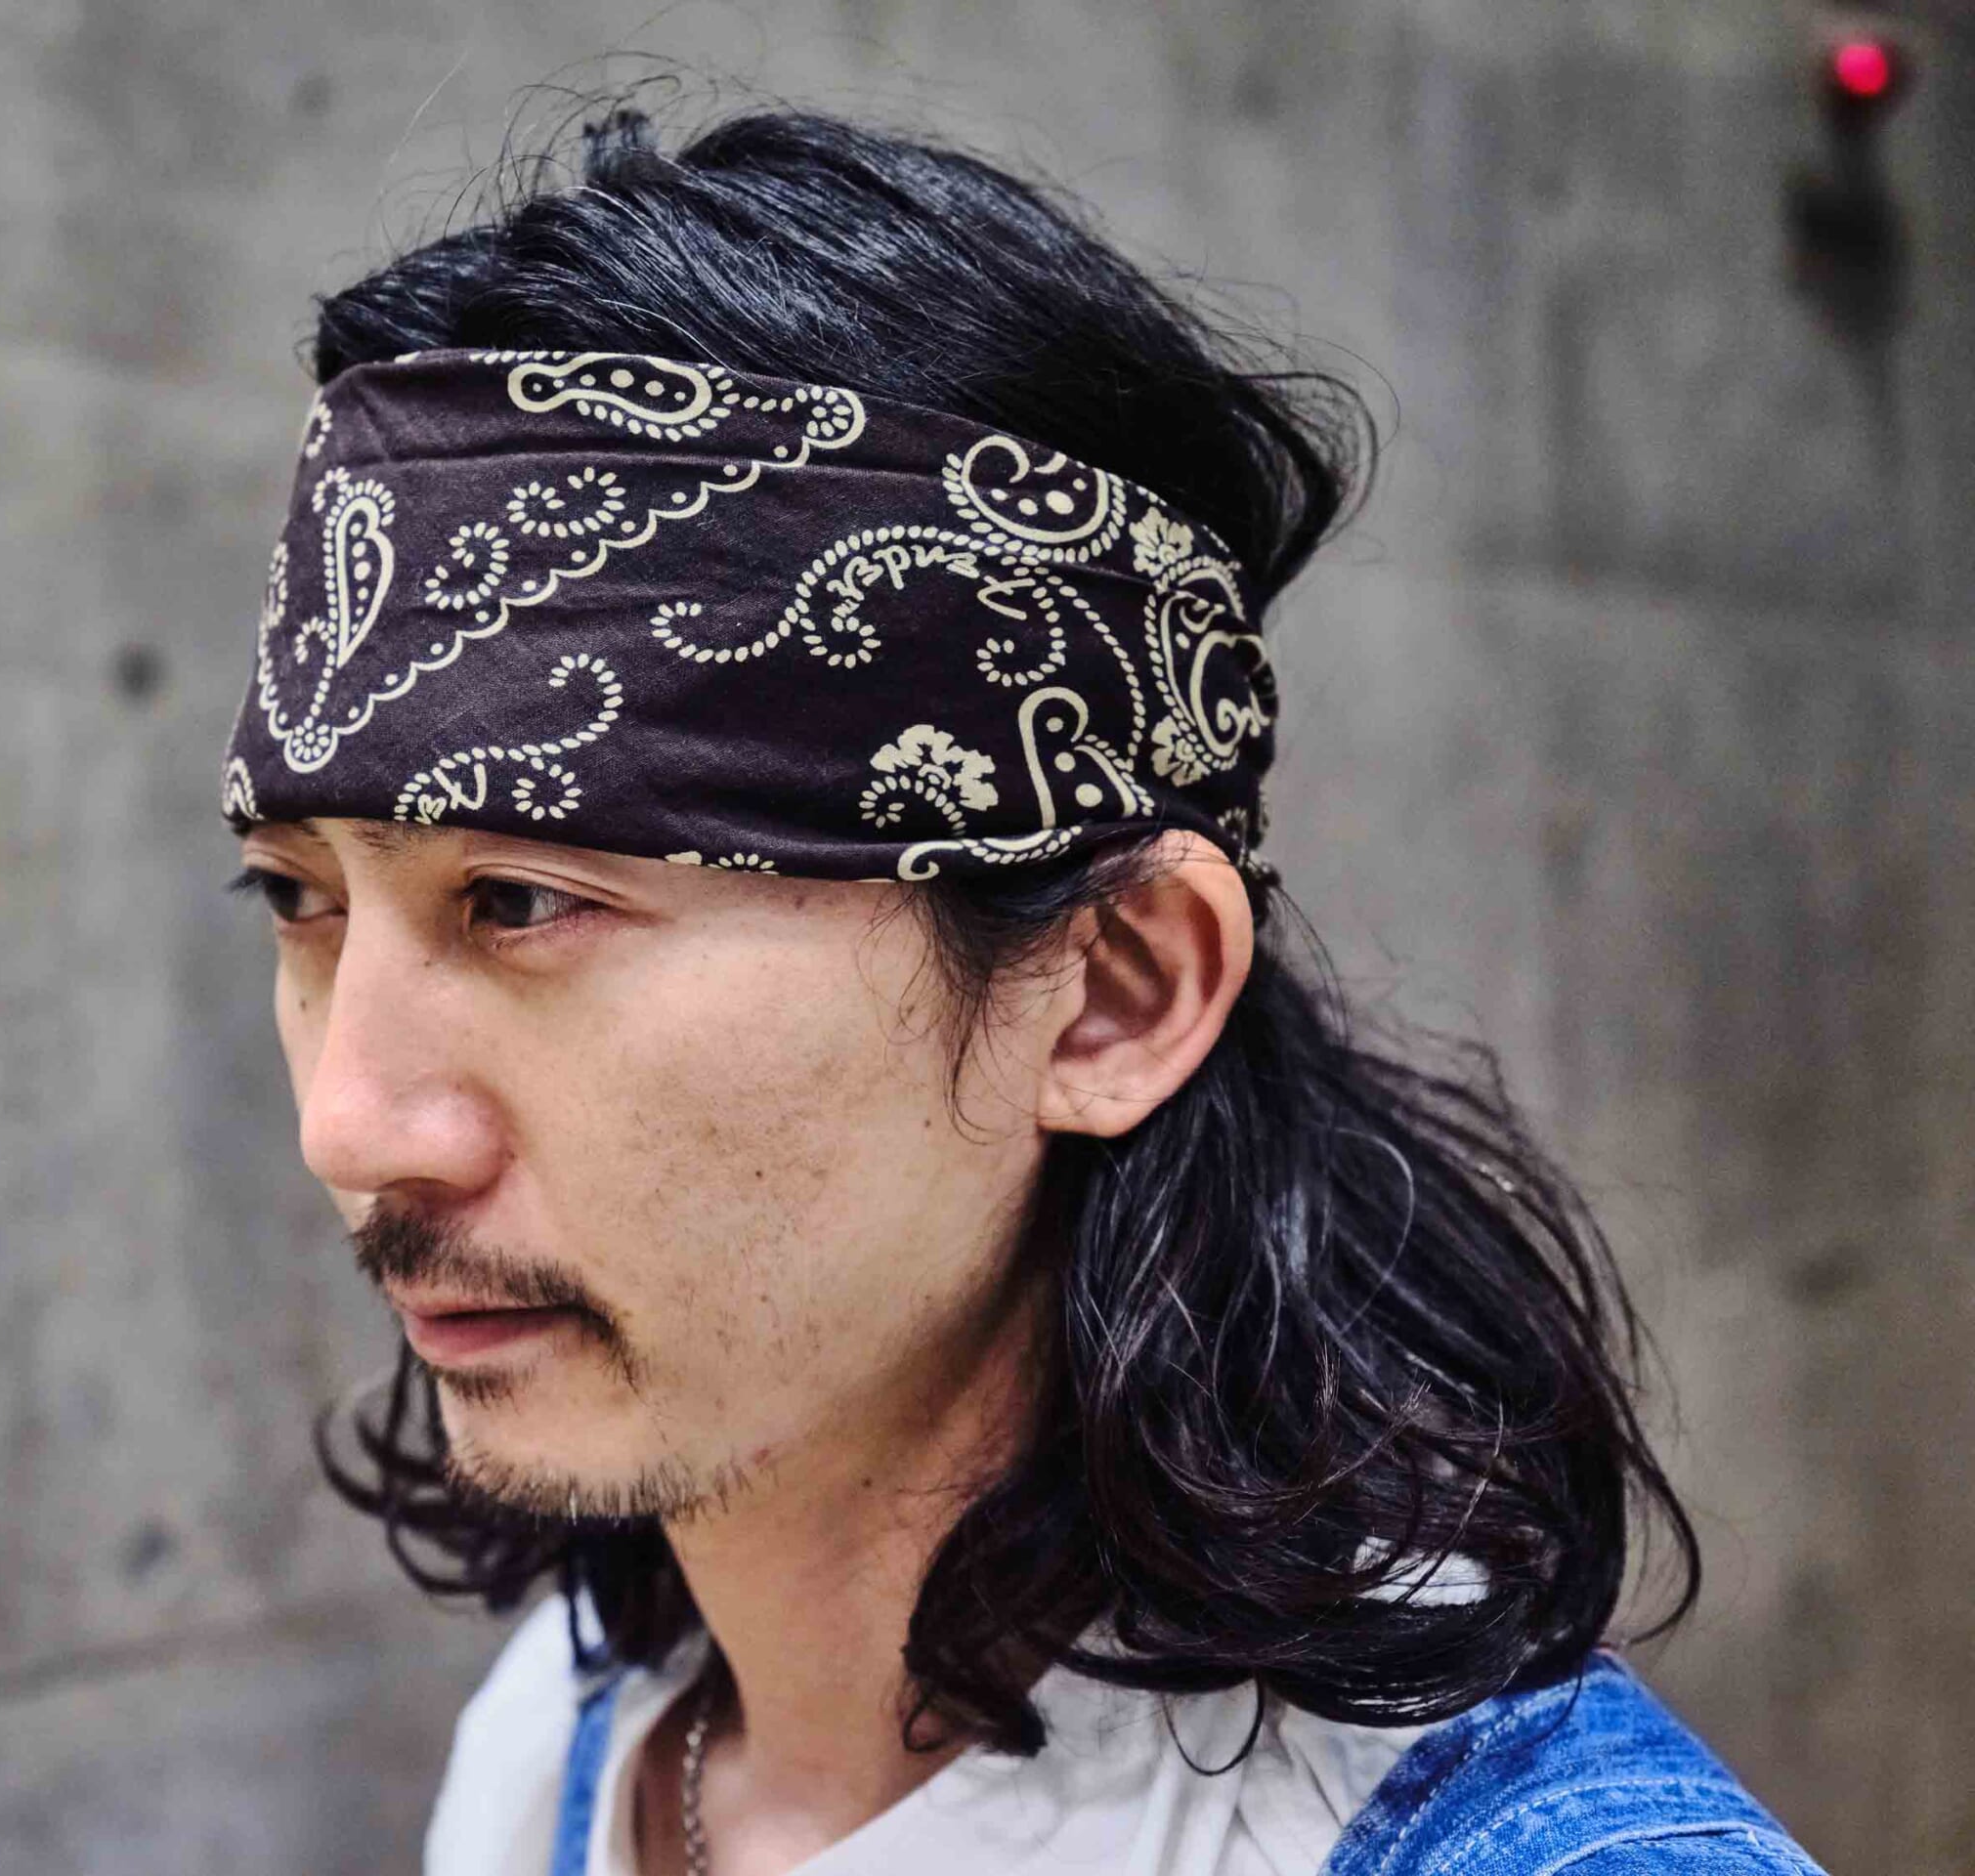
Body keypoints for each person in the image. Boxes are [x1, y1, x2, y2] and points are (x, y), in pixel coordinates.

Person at [218, 97, 1825, 1876]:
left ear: (1112, 991)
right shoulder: (567, 1732)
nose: (350, 1126)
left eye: (523, 900)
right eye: (300, 897)